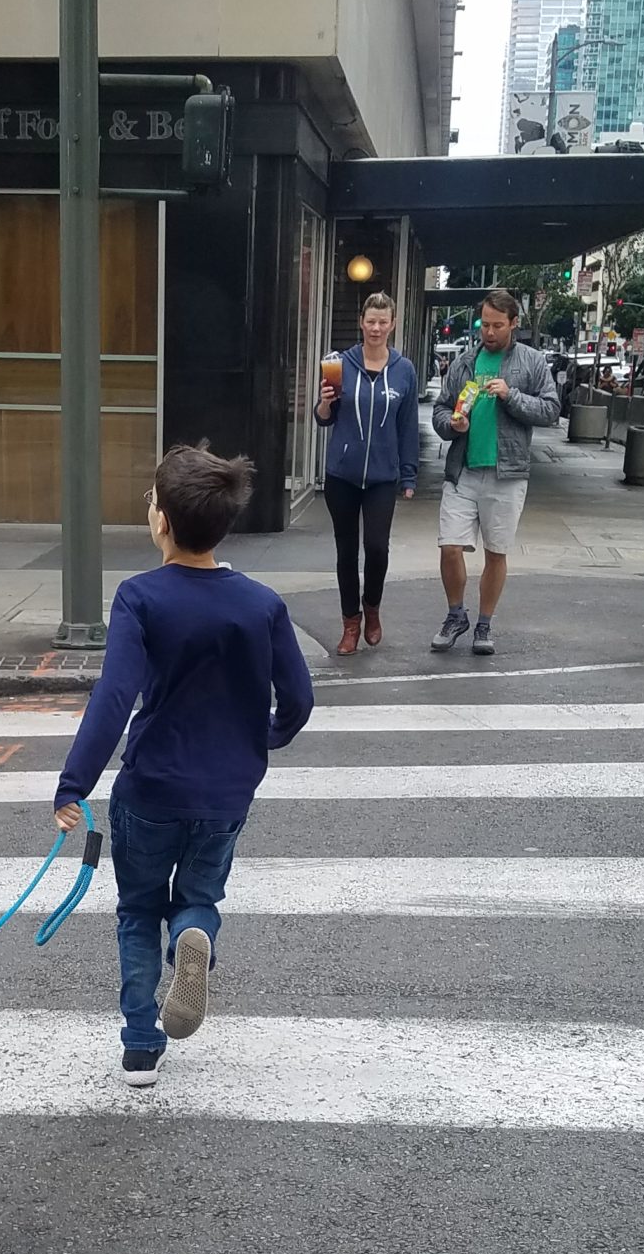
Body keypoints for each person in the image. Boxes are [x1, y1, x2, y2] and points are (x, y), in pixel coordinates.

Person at [54, 444, 314, 1085]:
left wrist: (74, 783)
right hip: (225, 793)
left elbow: (115, 696)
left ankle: (141, 1044)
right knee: (198, 895)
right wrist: (264, 739)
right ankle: (194, 935)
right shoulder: (261, 603)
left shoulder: (140, 598)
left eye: (152, 500)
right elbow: (299, 699)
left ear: (162, 521)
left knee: (139, 910)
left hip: (151, 789)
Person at [430, 289, 561, 654]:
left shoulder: (531, 362)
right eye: (484, 324)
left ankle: (484, 624)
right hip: (463, 469)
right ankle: (455, 614)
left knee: (495, 552)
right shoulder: (465, 363)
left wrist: (511, 395)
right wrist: (451, 424)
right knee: (449, 546)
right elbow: (440, 409)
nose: (488, 332)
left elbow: (551, 410)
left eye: (497, 325)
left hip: (508, 472)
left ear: (513, 324)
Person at [314, 290, 420, 653]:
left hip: (382, 476)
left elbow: (408, 426)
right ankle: (350, 623)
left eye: (382, 322)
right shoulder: (340, 364)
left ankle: (372, 607)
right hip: (342, 474)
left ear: (393, 325)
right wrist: (324, 404)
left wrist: (408, 474)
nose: (376, 328)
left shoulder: (404, 370)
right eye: (370, 321)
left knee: (376, 547)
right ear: (361, 323)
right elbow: (324, 419)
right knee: (346, 551)